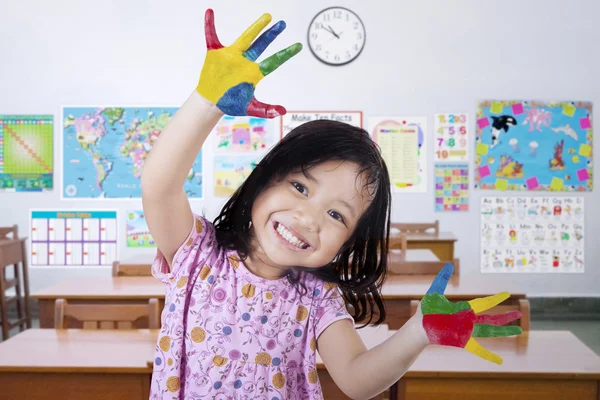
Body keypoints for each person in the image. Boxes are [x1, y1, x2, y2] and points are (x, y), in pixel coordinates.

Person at [142, 9, 523, 399]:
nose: (308, 218)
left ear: (349, 240)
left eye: (337, 214)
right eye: (300, 187)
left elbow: (357, 381)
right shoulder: (199, 255)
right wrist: (208, 101)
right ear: (263, 181)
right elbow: (158, 185)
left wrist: (418, 332)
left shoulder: (316, 296)